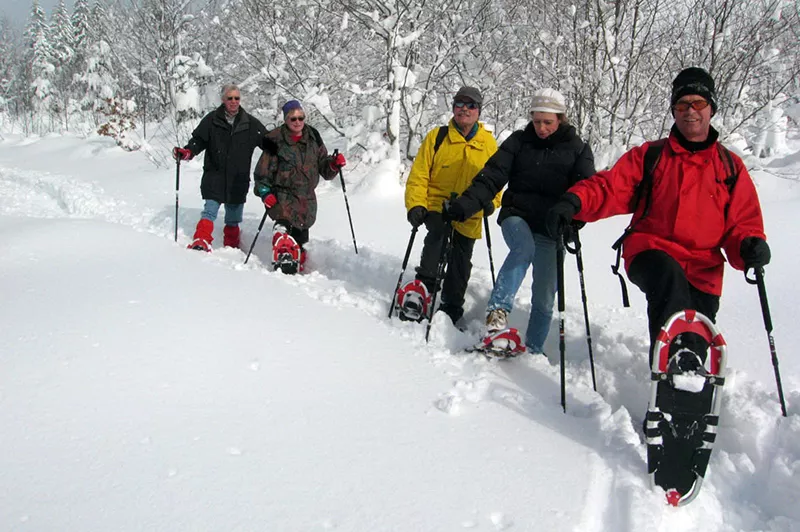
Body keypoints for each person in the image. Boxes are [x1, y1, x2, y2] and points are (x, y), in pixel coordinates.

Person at [545, 67, 770, 359]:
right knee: (670, 285)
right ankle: (671, 370)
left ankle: (685, 390)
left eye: (698, 103)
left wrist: (749, 245)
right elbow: (611, 186)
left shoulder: (730, 167)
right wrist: (574, 202)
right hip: (650, 251)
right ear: (674, 111)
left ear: (711, 108)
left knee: (698, 336)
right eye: (682, 104)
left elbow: (742, 223)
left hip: (704, 269)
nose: (690, 111)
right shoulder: (651, 156)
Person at [444, 88, 595, 354]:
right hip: (518, 215)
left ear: (561, 119)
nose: (541, 128)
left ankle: (534, 350)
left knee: (545, 295)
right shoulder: (519, 141)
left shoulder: (578, 149)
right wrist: (466, 205)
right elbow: (491, 176)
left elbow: (586, 191)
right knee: (523, 248)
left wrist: (574, 220)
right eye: (536, 121)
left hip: (551, 225)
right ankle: (496, 315)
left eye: (547, 122)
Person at [400, 86, 500, 326]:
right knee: (436, 241)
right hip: (436, 206)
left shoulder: (488, 143)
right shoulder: (437, 137)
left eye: (471, 105)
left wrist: (491, 203)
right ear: (453, 107)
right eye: (459, 104)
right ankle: (421, 293)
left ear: (478, 111)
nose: (464, 109)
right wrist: (415, 205)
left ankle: (451, 307)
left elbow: (497, 180)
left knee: (461, 262)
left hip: (470, 211)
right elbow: (419, 174)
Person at [252, 100, 346, 274]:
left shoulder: (313, 137)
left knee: (301, 243)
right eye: (292, 118)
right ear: (286, 119)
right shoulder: (275, 140)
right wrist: (265, 194)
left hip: (306, 201)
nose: (297, 122)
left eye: (300, 117)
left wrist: (334, 164)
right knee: (283, 232)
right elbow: (262, 174)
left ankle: (297, 269)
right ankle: (282, 259)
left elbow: (324, 168)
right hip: (282, 197)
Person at [174, 84, 268, 252]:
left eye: (236, 98)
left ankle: (231, 247)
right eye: (229, 98)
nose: (233, 102)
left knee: (233, 217)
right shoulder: (212, 120)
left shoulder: (250, 124)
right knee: (209, 210)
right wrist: (187, 152)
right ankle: (201, 240)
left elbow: (269, 143)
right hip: (214, 176)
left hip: (237, 179)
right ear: (223, 100)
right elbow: (198, 140)